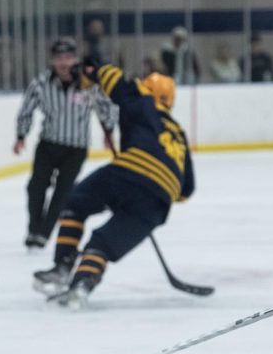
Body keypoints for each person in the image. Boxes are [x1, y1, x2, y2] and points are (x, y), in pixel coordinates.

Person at [33, 63, 195, 308]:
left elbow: (116, 81)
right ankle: (81, 286)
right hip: (159, 198)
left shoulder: (143, 102)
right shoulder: (179, 133)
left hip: (128, 173)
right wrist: (150, 191)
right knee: (102, 243)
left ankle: (62, 267)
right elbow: (186, 189)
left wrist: (91, 69)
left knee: (75, 203)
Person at [13, 38, 117, 249]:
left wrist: (109, 131)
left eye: (68, 58)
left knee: (63, 191)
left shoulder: (88, 85)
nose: (63, 63)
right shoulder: (41, 83)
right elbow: (26, 109)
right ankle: (34, 228)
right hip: (48, 144)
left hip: (76, 148)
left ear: (75, 59)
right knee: (36, 187)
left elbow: (105, 107)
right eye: (59, 58)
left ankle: (44, 233)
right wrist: (21, 136)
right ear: (52, 60)